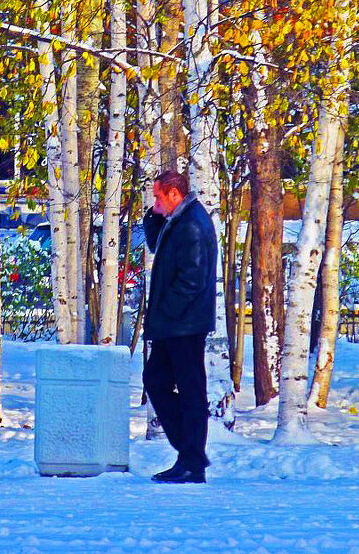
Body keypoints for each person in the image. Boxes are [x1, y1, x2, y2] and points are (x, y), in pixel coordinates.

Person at [142, 169, 217, 484]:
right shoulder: (179, 220)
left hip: (184, 324)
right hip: (175, 323)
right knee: (157, 381)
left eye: (158, 197)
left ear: (174, 194)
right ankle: (189, 456)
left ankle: (192, 462)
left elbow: (191, 279)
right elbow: (154, 244)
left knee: (190, 392)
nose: (155, 201)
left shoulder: (191, 226)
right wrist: (154, 214)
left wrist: (165, 312)